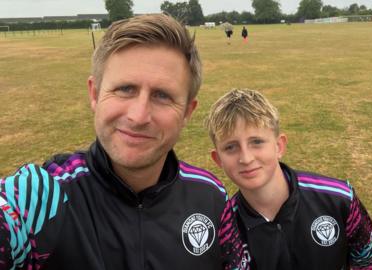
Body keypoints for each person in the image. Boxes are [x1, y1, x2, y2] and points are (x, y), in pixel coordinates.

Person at [0, 14, 246, 270]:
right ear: (94, 94)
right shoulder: (43, 199)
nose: (138, 116)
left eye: (162, 95)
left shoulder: (210, 197)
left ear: (187, 112)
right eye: (125, 89)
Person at [205, 88, 372, 269]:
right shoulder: (225, 227)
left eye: (257, 142)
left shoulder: (338, 199)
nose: (246, 158)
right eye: (230, 147)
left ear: (279, 146)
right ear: (218, 159)